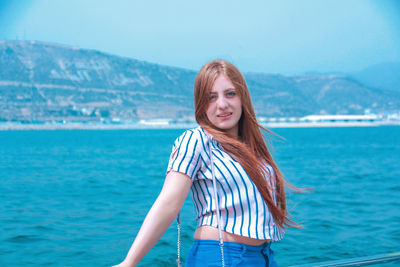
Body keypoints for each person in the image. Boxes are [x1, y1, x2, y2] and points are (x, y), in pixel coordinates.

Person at [113, 59, 298, 267]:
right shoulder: (196, 141)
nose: (222, 104)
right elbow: (168, 202)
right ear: (201, 104)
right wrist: (129, 262)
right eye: (211, 97)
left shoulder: (252, 146)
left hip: (264, 257)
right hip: (221, 258)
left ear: (242, 97)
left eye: (230, 94)